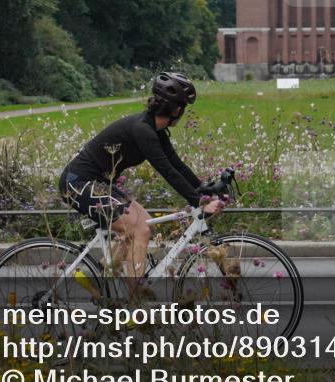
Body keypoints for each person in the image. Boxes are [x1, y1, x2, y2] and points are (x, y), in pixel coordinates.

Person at [58, 72, 225, 281]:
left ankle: (109, 281)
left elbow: (177, 165)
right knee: (140, 230)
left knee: (143, 222)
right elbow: (167, 171)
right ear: (177, 110)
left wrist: (204, 189)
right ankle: (135, 305)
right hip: (77, 183)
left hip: (96, 182)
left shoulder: (156, 130)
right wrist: (198, 202)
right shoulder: (143, 130)